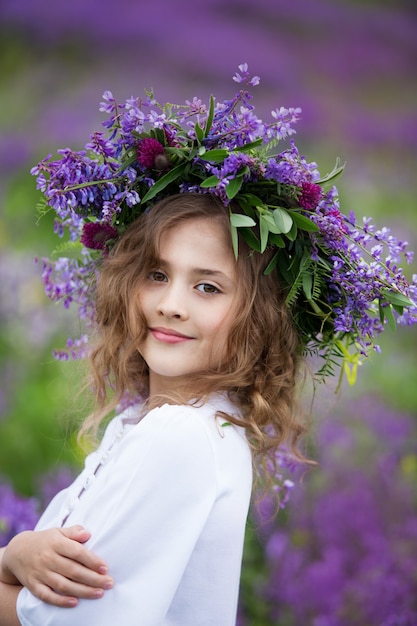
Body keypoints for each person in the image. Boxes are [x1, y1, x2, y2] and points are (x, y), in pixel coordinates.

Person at [0, 64, 415, 625]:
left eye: (207, 286)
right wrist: (16, 556)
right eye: (155, 274)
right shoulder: (169, 426)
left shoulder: (180, 437)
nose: (172, 303)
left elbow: (69, 620)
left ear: (259, 320)